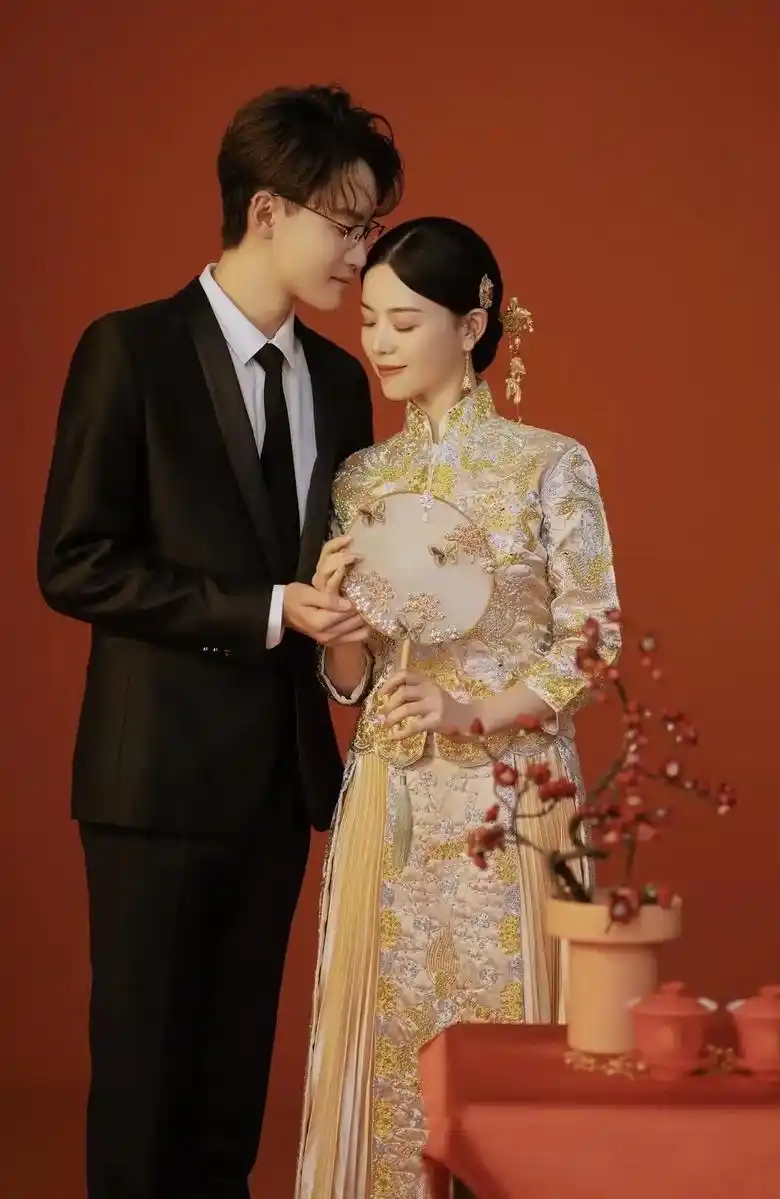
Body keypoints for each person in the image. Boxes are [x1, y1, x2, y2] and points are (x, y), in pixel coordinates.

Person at [37, 85, 403, 1199]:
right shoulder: (130, 350)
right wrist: (268, 608)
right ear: (265, 210)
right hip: (151, 782)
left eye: (369, 229)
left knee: (230, 1097)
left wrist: (347, 622)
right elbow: (75, 561)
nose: (360, 256)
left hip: (278, 783)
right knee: (143, 1092)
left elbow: (331, 570)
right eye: (346, 225)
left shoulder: (338, 382)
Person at [295, 217, 621, 1197]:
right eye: (369, 321)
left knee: (510, 1038)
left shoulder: (547, 463)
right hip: (389, 801)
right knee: (387, 1052)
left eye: (404, 322)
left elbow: (593, 641)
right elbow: (348, 679)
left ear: (472, 324)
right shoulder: (362, 478)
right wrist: (337, 624)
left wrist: (469, 711)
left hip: (509, 801)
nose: (379, 342)